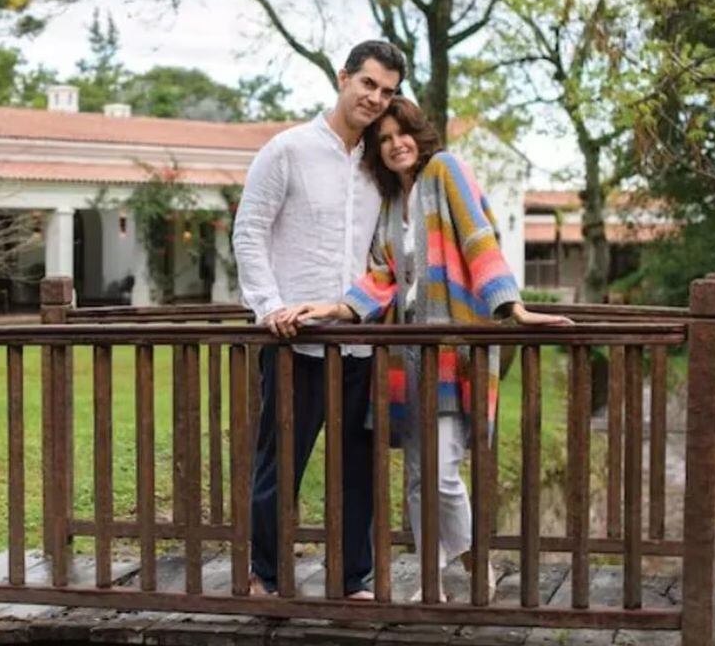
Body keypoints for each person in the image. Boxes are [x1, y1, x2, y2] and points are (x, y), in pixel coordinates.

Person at [276, 96, 571, 601]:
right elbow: (382, 278)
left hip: (452, 351)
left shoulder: (445, 171)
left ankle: (476, 563)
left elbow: (480, 238)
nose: (395, 145)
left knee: (442, 472)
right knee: (416, 478)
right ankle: (431, 578)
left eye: (402, 133)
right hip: (404, 359)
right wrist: (330, 308)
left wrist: (512, 307)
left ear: (420, 133)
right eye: (384, 139)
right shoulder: (391, 203)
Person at [233, 40, 406, 599]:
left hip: (359, 341)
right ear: (343, 78)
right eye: (369, 85)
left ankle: (352, 579)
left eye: (388, 91)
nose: (376, 99)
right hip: (293, 340)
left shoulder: (379, 167)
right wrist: (269, 307)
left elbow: (386, 254)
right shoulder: (287, 151)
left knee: (359, 470)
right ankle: (267, 575)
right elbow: (250, 231)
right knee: (280, 465)